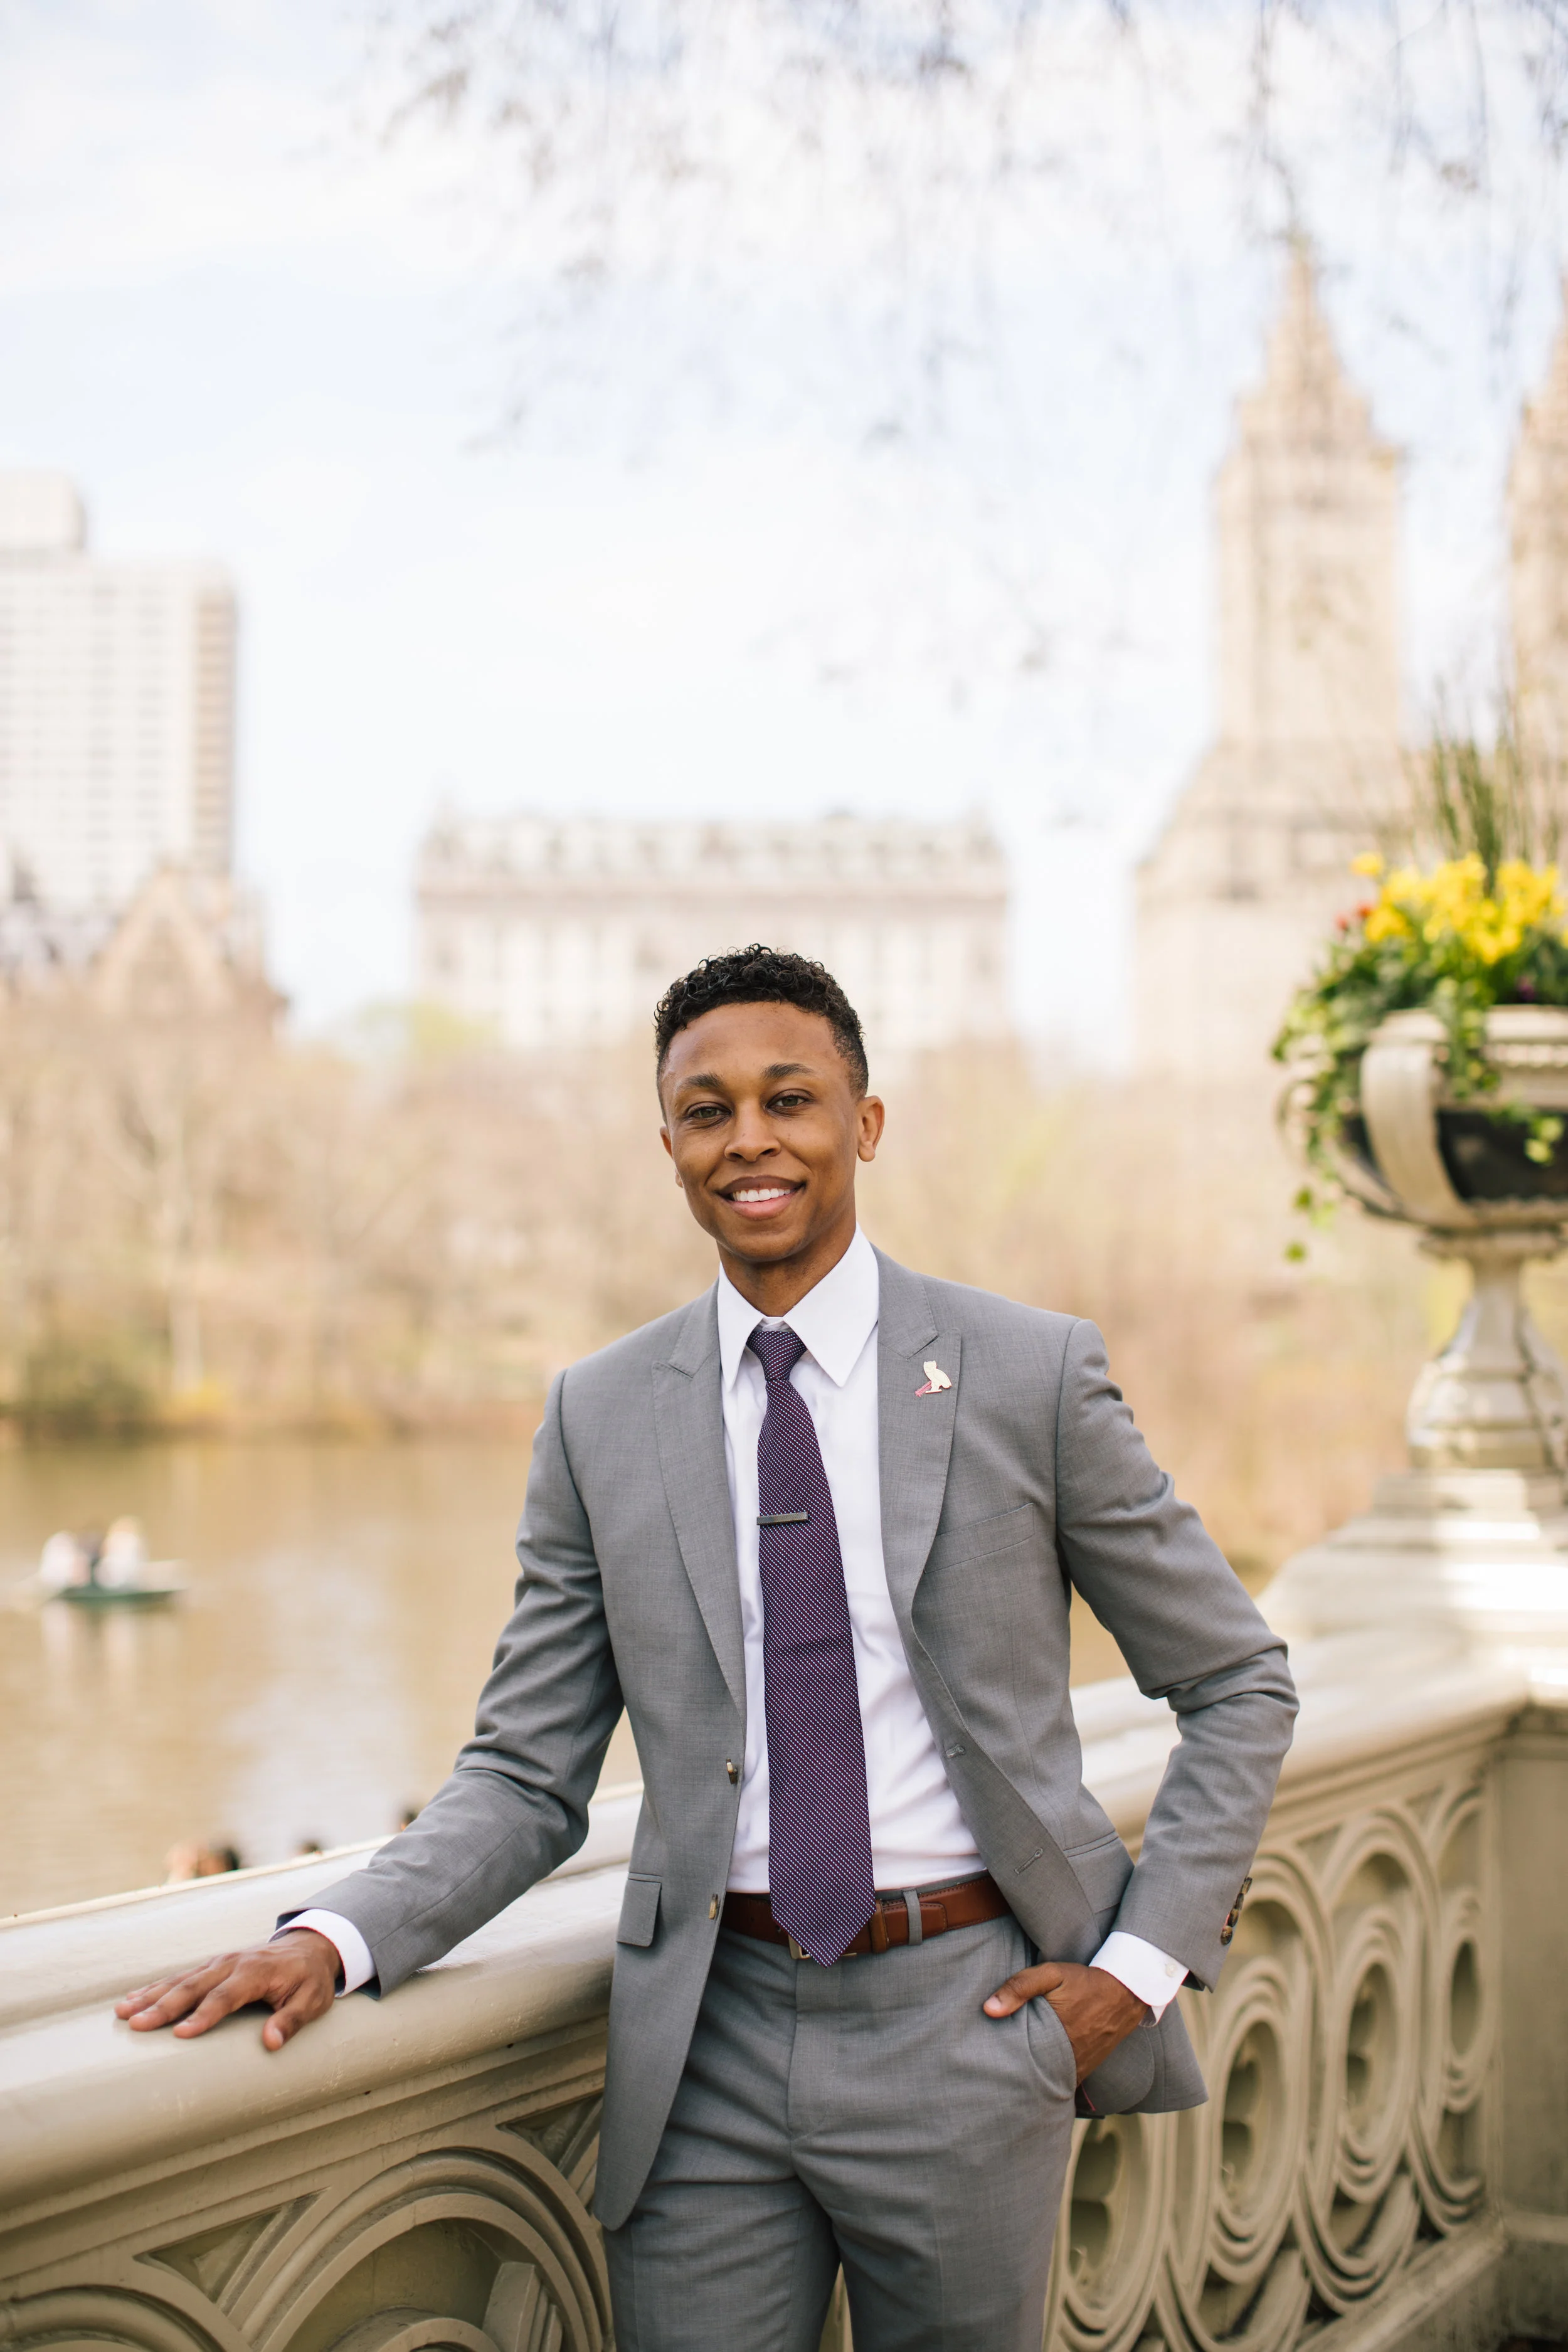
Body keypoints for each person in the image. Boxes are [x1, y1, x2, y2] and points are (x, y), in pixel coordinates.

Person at [116, 947, 1297, 2352]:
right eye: (704, 1109)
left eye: (788, 1100)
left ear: (863, 1122)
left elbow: (1236, 1681)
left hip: (970, 2020)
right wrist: (337, 1936)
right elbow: (524, 1775)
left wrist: (1139, 1969)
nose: (749, 1140)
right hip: (701, 2043)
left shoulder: (1023, 1373)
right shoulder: (598, 1415)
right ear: (666, 1141)